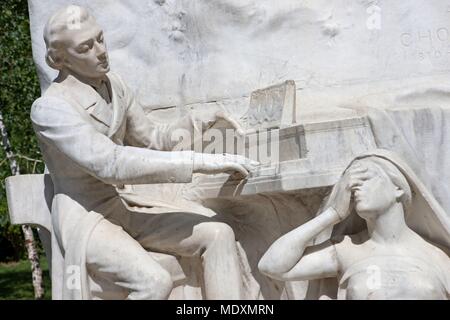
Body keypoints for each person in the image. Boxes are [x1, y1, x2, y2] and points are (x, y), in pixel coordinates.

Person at [31, 5, 257, 300]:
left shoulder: (115, 85)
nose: (101, 51)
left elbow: (151, 138)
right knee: (153, 282)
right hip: (86, 218)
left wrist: (197, 123)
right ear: (60, 59)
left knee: (218, 234)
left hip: (122, 206)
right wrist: (198, 162)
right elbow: (110, 163)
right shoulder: (51, 108)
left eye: (100, 38)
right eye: (86, 47)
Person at [258, 149, 450, 299]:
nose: (355, 187)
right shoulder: (345, 250)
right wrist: (332, 213)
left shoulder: (439, 257)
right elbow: (272, 266)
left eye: (365, 179)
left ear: (398, 188)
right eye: (350, 183)